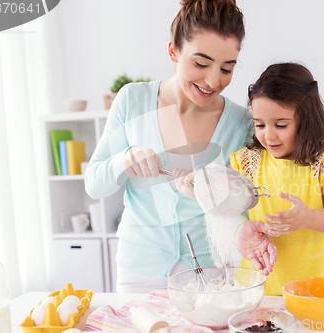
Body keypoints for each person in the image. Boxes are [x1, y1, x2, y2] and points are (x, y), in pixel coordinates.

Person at [84, 0, 275, 293]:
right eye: (201, 63)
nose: (213, 80)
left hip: (209, 272)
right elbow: (94, 184)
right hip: (139, 270)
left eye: (227, 68)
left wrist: (216, 198)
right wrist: (125, 158)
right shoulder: (132, 100)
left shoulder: (242, 122)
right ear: (173, 50)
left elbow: (244, 201)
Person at [230, 62, 324, 295]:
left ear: (306, 121)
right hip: (259, 284)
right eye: (260, 124)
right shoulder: (249, 160)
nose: (269, 134)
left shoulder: (322, 162)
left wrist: (309, 217)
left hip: (314, 283)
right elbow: (220, 189)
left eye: (281, 124)